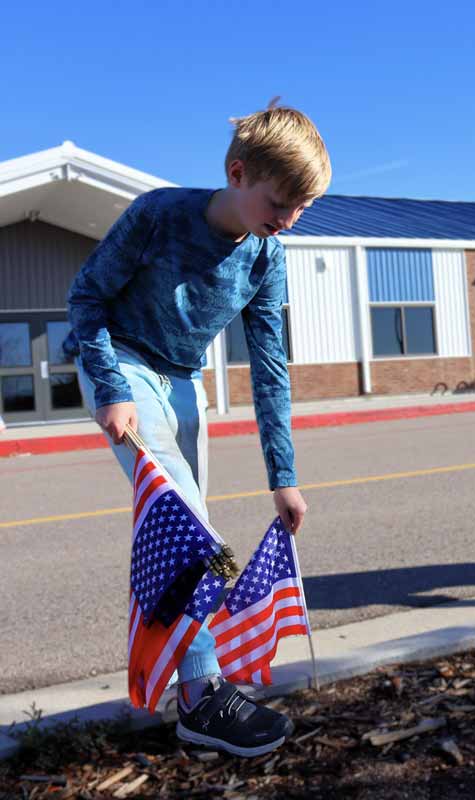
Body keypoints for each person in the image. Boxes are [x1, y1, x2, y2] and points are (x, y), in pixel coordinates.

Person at [64, 104, 331, 756]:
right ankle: (203, 695)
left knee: (194, 532)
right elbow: (86, 298)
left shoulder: (266, 256)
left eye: (302, 208)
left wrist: (284, 479)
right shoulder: (159, 214)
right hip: (122, 363)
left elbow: (270, 367)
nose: (289, 220)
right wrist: (111, 387)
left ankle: (192, 686)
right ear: (238, 173)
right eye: (280, 202)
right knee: (192, 532)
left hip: (183, 381)